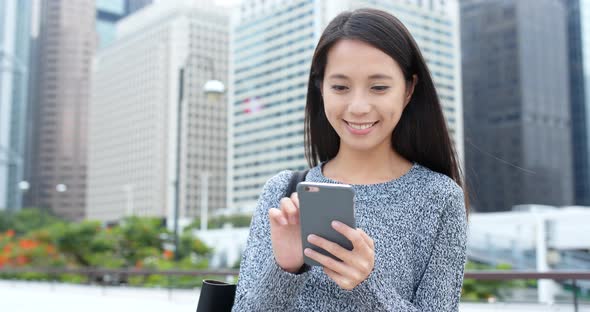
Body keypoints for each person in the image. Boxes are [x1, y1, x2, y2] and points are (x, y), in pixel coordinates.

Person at [232, 8, 468, 312]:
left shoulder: (440, 198)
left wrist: (366, 283)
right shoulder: (282, 192)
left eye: (379, 87)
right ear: (321, 89)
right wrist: (286, 269)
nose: (358, 107)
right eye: (340, 87)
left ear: (408, 90)